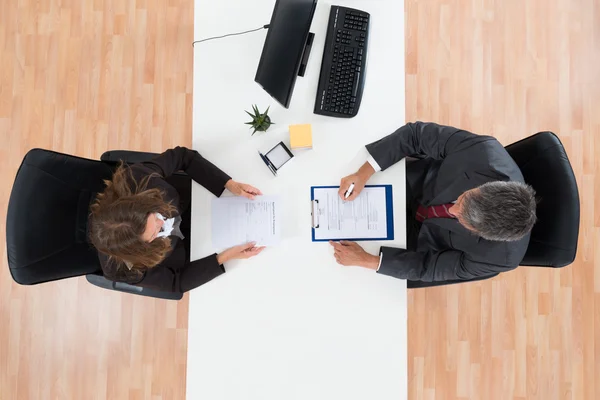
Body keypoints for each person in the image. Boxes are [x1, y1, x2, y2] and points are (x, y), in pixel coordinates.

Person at [331, 122, 537, 285]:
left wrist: (365, 260)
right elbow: (415, 135)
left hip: (415, 241)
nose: (452, 208)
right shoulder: (484, 153)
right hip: (412, 183)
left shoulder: (501, 257)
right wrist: (363, 172)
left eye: (461, 219)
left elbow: (428, 268)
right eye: (463, 199)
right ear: (484, 186)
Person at [88, 147, 265, 292]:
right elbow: (175, 283)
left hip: (195, 198)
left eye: (155, 216)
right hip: (190, 249)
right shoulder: (121, 269)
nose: (162, 222)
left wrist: (229, 184)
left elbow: (183, 157)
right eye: (155, 233)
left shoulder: (134, 180)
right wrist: (225, 257)